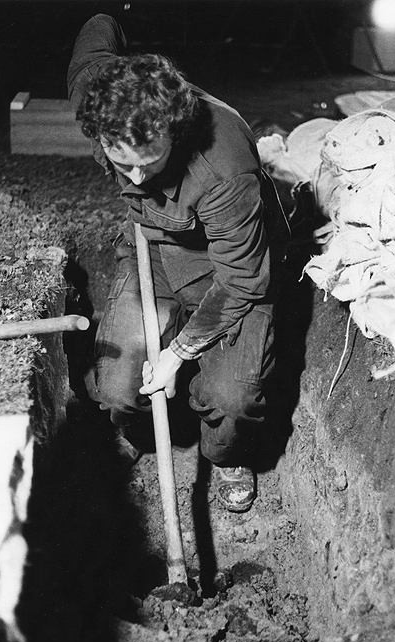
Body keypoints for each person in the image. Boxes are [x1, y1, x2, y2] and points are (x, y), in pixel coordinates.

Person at [67, 14, 289, 512]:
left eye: (151, 161)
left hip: (231, 266)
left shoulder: (224, 166)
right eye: (123, 163)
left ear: (175, 128)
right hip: (154, 248)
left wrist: (178, 353)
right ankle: (139, 434)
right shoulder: (100, 96)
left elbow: (241, 279)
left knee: (233, 399)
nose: (137, 177)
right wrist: (133, 64)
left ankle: (228, 456)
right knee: (118, 388)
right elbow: (99, 29)